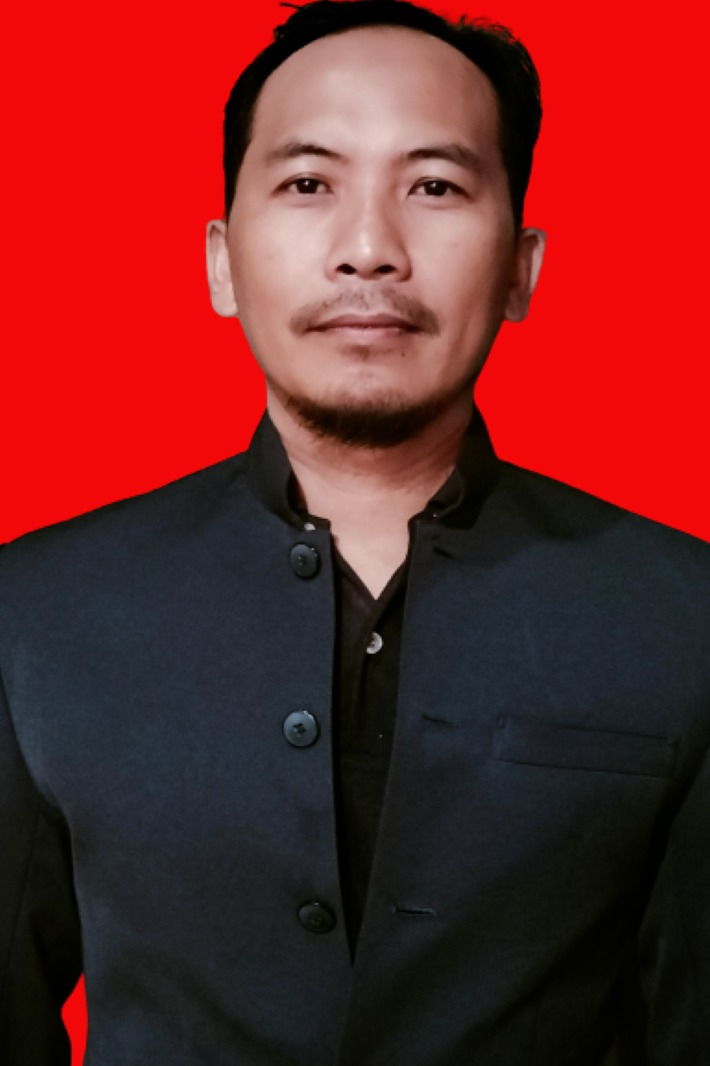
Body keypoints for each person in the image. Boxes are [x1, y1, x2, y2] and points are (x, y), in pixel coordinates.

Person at [1, 0, 708, 1062]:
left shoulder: (682, 613)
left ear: (520, 266)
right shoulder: (37, 609)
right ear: (221, 261)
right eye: (307, 183)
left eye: (434, 186)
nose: (369, 250)